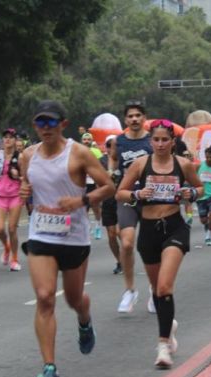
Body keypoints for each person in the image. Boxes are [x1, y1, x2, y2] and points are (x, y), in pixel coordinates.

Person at [19, 100, 114, 377]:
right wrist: (25, 194)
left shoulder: (79, 153)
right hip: (41, 235)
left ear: (63, 124)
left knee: (74, 300)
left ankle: (84, 320)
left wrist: (81, 200)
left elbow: (108, 186)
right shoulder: (27, 156)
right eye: (40, 123)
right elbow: (29, 188)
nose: (45, 128)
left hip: (74, 237)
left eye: (51, 123)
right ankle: (50, 369)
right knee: (45, 297)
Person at [116, 119, 202, 368]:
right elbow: (120, 192)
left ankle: (163, 345)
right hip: (149, 231)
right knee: (157, 290)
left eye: (166, 139)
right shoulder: (140, 164)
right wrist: (136, 195)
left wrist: (192, 194)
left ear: (173, 142)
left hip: (174, 227)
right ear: (150, 141)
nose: (161, 144)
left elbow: (200, 187)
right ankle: (169, 324)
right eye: (156, 139)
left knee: (165, 287)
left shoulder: (183, 164)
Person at [111, 101, 153, 314]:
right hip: (127, 197)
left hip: (150, 199)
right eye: (130, 116)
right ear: (125, 120)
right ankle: (130, 290)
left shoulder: (152, 140)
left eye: (138, 115)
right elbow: (114, 163)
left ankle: (155, 290)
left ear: (144, 118)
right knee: (126, 243)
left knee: (150, 246)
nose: (134, 119)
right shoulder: (118, 142)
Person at [0, 128, 23, 271]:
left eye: (11, 137)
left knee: (11, 229)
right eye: (5, 137)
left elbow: (27, 177)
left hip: (15, 195)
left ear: (15, 140)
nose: (7, 140)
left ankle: (14, 259)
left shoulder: (21, 157)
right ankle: (6, 247)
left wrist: (18, 176)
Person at [102, 135, 122, 275]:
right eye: (109, 145)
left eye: (114, 145)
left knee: (120, 232)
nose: (111, 147)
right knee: (111, 234)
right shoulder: (100, 162)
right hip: (107, 200)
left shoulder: (123, 160)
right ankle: (119, 260)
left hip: (121, 199)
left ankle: (127, 256)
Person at [82, 132, 104, 239]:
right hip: (82, 183)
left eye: (88, 139)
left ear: (91, 141)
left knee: (95, 207)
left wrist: (98, 183)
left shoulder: (96, 151)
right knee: (83, 208)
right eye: (84, 139)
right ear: (82, 141)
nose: (86, 141)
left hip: (93, 183)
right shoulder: (78, 151)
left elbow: (100, 167)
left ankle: (98, 225)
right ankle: (88, 227)